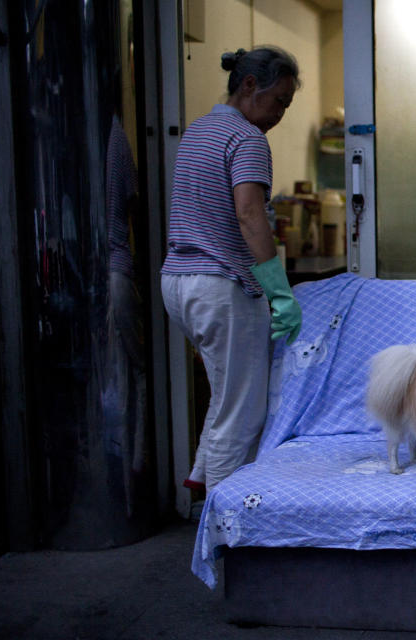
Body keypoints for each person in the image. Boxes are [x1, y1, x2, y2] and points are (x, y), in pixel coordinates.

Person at [161, 46, 303, 493]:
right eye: (278, 100)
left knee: (224, 397)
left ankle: (202, 481)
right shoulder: (247, 138)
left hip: (178, 281)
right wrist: (278, 290)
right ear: (248, 86)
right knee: (242, 412)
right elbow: (249, 215)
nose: (280, 113)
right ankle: (228, 532)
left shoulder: (198, 130)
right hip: (221, 285)